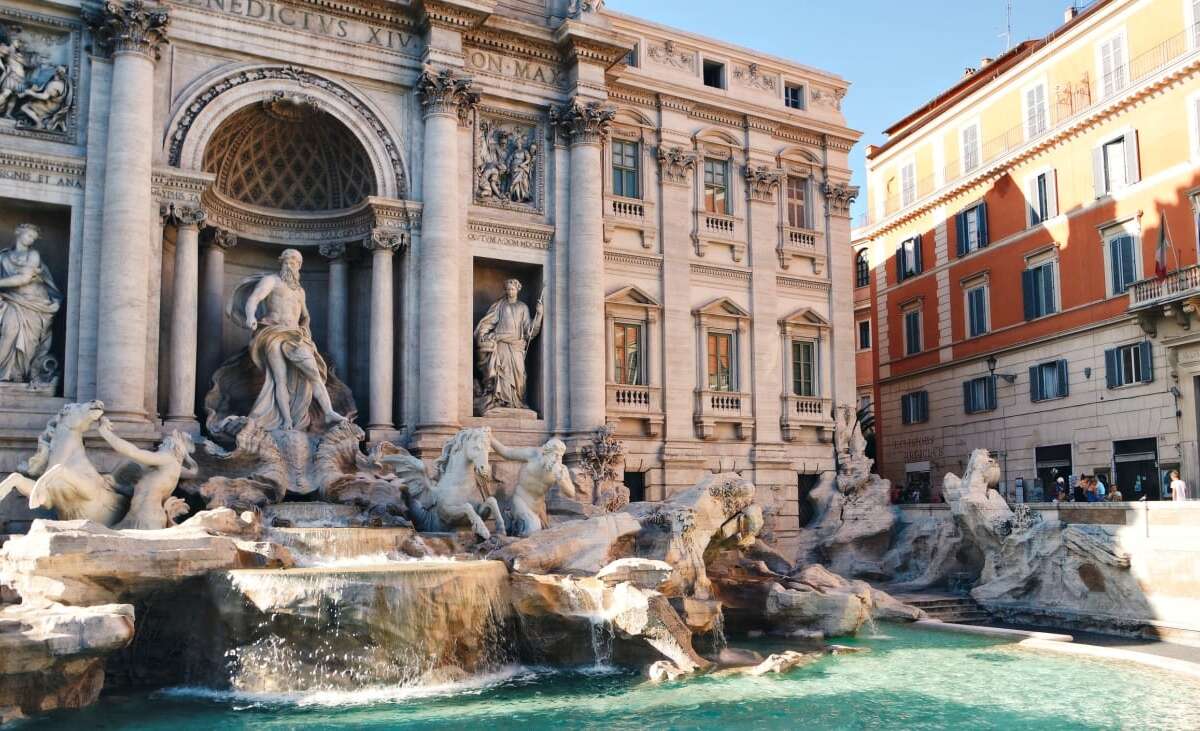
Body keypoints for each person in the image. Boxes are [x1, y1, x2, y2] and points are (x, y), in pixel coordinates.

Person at [228, 249, 346, 431]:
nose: (290, 266)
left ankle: (328, 411)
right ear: (281, 263)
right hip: (272, 332)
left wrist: (305, 329)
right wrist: (250, 316)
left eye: (294, 263)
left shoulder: (300, 291)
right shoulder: (271, 281)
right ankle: (286, 420)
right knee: (279, 379)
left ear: (299, 266)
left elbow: (305, 315)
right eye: (287, 262)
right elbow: (254, 298)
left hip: (295, 336)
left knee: (314, 373)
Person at [0, 223, 62, 383]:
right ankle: (4, 373)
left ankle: (18, 374)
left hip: (35, 303)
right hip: (12, 300)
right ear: (18, 232)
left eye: (33, 238)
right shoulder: (3, 257)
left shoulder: (33, 254)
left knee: (30, 341)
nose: (31, 240)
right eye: (29, 235)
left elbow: (24, 278)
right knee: (9, 333)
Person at [473, 278, 544, 414]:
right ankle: (501, 401)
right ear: (505, 291)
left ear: (517, 290)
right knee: (502, 373)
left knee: (520, 375)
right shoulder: (500, 306)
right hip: (501, 344)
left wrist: (539, 314)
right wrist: (482, 334)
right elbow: (488, 322)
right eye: (508, 289)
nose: (510, 292)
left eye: (513, 289)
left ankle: (516, 401)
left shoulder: (523, 307)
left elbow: (529, 330)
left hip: (516, 345)